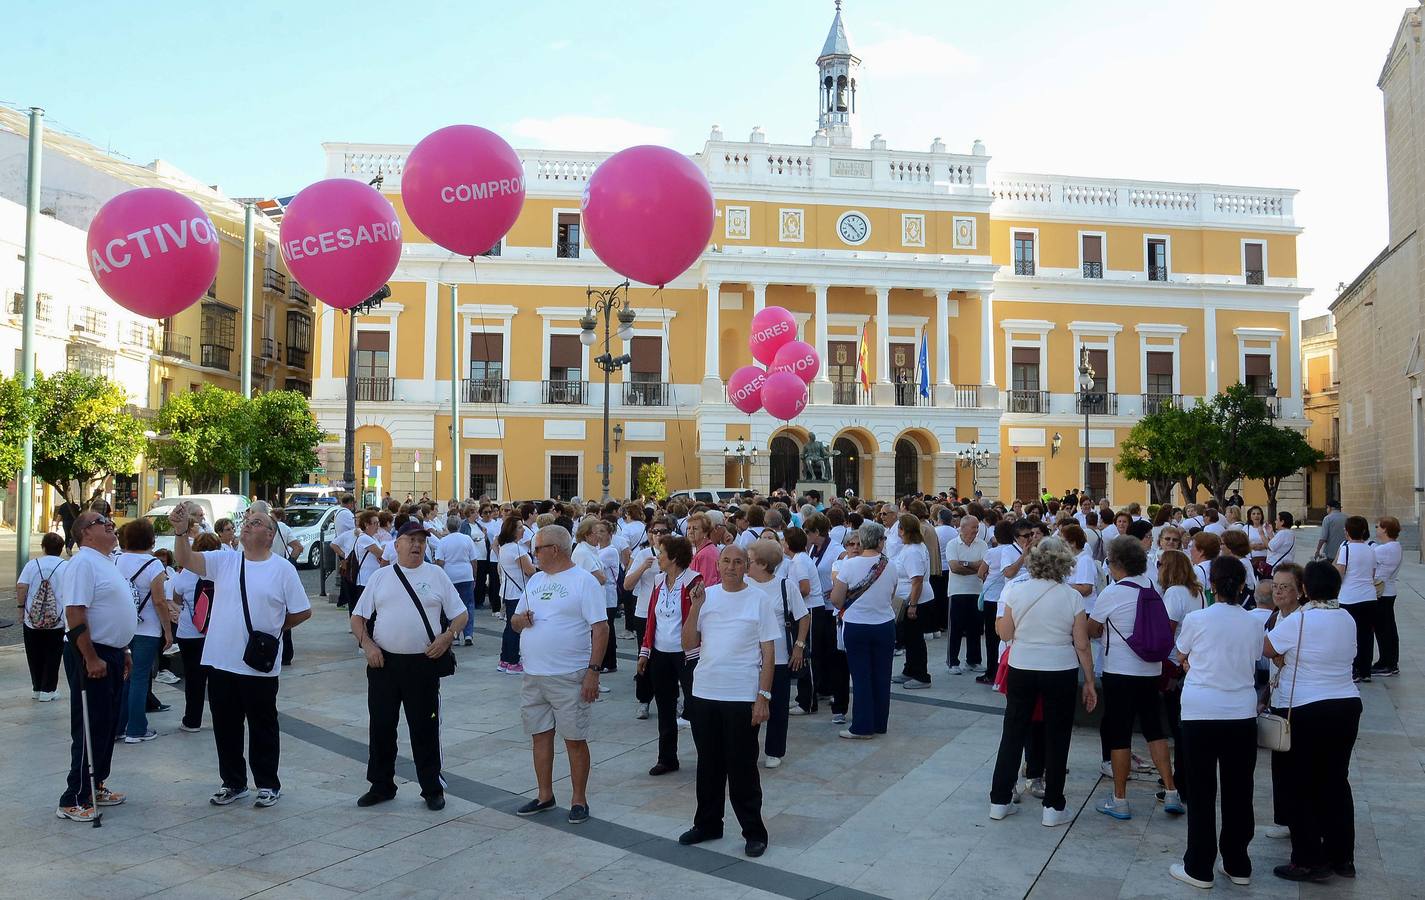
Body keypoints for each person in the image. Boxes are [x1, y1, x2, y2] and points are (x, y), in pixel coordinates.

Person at [170, 503, 312, 809]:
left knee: (263, 725)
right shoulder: (225, 560)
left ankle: (267, 784)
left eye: (257, 522)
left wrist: (273, 629)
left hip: (257, 664)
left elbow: (302, 611)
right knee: (225, 725)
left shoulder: (282, 569)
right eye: (248, 520)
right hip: (221, 659)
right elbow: (185, 559)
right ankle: (233, 782)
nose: (248, 524)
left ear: (270, 535)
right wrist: (181, 532)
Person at [351, 521, 468, 811]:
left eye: (421, 541)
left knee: (425, 727)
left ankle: (431, 788)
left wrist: (447, 636)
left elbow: (460, 614)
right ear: (397, 544)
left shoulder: (436, 575)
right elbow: (358, 618)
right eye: (410, 539)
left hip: (423, 664)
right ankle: (381, 785)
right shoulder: (381, 577)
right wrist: (368, 645)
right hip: (384, 664)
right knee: (381, 726)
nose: (416, 545)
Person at [1263, 561, 1362, 883]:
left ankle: (1307, 859)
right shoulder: (1347, 616)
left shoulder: (1300, 620)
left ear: (1304, 589)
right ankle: (1342, 858)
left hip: (1306, 709)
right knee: (1335, 783)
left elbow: (1266, 647)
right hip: (1346, 706)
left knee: (1298, 785)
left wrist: (1280, 655)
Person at [677, 545, 778, 858]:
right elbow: (688, 643)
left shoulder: (759, 599)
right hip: (705, 692)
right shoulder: (706, 596)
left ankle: (754, 832)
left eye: (738, 562)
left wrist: (763, 696)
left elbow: (769, 652)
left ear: (747, 566)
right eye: (726, 561)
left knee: (742, 767)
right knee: (708, 764)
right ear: (717, 565)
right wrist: (695, 608)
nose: (732, 567)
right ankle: (708, 824)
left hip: (741, 695)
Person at [988, 537, 1097, 826]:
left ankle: (999, 800)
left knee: (1012, 732)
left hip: (1022, 665)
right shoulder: (1072, 597)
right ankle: (1053, 806)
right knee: (1058, 736)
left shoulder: (1017, 592)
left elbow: (1004, 633)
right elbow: (1082, 644)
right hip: (1059, 668)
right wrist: (1089, 680)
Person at [1168, 557, 1261, 889]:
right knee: (1239, 790)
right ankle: (1238, 862)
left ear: (1212, 586)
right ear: (1241, 586)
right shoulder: (1253, 622)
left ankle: (1199, 865)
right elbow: (1250, 659)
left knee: (1202, 790)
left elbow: (1179, 655)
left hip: (1201, 712)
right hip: (1240, 713)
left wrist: (1194, 667)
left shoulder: (1197, 619)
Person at [510, 525, 609, 825]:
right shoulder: (535, 581)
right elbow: (514, 622)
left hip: (570, 674)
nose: (533, 554)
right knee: (540, 736)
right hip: (534, 674)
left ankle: (578, 800)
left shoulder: (583, 582)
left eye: (537, 549)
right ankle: (544, 795)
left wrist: (593, 672)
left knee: (574, 739)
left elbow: (600, 628)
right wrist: (520, 620)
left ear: (554, 549)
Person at [1088, 537, 1177, 820]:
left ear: (1117, 564)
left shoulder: (1112, 593)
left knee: (1119, 735)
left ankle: (1120, 799)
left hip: (1119, 672)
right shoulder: (1151, 588)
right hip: (1150, 670)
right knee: (1154, 730)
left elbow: (1092, 629)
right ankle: (1172, 790)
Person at [56, 510, 133, 822]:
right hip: (92, 653)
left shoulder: (106, 561)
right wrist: (90, 657)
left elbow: (112, 609)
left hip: (111, 652)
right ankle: (73, 797)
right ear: (86, 532)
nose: (110, 523)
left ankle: (96, 783)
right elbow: (75, 613)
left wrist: (123, 648)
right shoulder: (83, 562)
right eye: (103, 521)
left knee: (108, 724)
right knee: (90, 726)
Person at [637, 535, 701, 775]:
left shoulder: (694, 581)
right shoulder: (658, 581)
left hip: (687, 654)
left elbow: (697, 619)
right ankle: (667, 758)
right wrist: (645, 651)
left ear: (673, 557)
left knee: (695, 706)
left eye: (661, 552)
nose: (658, 556)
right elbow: (652, 619)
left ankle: (707, 757)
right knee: (664, 705)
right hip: (660, 653)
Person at [830, 521, 898, 740]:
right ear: (878, 541)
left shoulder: (849, 565)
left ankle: (862, 726)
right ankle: (879, 722)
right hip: (884, 624)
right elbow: (891, 593)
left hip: (857, 626)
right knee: (881, 675)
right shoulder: (890, 565)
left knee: (861, 677)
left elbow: (837, 599)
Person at [748, 539, 809, 768]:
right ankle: (749, 748)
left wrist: (799, 645)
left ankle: (774, 750)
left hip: (779, 657)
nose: (747, 564)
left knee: (778, 705)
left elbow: (803, 616)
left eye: (750, 561)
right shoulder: (744, 584)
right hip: (751, 657)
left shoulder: (785, 586)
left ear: (763, 564)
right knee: (749, 703)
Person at [114, 518, 171, 743]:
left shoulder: (117, 560)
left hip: (123, 626)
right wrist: (168, 630)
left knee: (123, 678)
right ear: (151, 539)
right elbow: (159, 601)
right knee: (139, 678)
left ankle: (118, 726)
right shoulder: (154, 564)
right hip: (147, 628)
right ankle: (136, 728)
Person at [168, 533, 220, 732]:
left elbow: (177, 599)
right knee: (217, 679)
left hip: (189, 634)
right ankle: (220, 719)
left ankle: (192, 720)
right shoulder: (220, 571)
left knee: (193, 678)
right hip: (215, 633)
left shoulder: (186, 573)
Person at [18, 532, 68, 701]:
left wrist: (20, 609)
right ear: (61, 549)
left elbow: (21, 587)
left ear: (43, 547)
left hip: (32, 618)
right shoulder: (65, 566)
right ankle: (49, 690)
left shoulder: (32, 565)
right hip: (58, 619)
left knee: (34, 653)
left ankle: (37, 687)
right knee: (53, 654)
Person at [1333, 516, 1377, 682]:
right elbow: (1373, 573)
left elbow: (1341, 571)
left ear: (1347, 531)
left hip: (1349, 597)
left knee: (1351, 635)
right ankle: (1366, 670)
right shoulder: (1371, 548)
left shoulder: (1346, 548)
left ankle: (1354, 669)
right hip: (1369, 596)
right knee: (1366, 634)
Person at [891, 514, 932, 688]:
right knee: (909, 637)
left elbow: (916, 580)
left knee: (915, 639)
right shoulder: (911, 547)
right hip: (910, 599)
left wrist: (913, 605)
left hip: (915, 601)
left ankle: (921, 675)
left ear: (903, 530)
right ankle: (910, 670)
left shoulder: (913, 551)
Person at [943, 514, 986, 674]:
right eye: (974, 527)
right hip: (957, 592)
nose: (976, 530)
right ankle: (952, 662)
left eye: (977, 527)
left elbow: (983, 567)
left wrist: (966, 564)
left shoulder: (982, 544)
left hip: (976, 591)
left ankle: (973, 661)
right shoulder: (953, 544)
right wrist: (974, 567)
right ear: (963, 527)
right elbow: (954, 567)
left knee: (975, 628)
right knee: (955, 629)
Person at [496, 514, 536, 674]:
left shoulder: (504, 548)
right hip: (518, 592)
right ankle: (512, 660)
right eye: (519, 527)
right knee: (516, 627)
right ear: (512, 531)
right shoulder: (516, 549)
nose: (522, 530)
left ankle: (505, 659)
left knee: (509, 627)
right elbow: (530, 570)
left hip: (508, 590)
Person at [436, 515, 481, 647]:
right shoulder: (466, 539)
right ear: (459, 525)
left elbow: (440, 561)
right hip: (466, 575)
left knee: (451, 606)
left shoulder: (443, 541)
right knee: (468, 605)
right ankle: (468, 634)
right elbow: (474, 560)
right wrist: (474, 576)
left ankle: (455, 635)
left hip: (450, 576)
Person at [1371, 516, 1403, 678]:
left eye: (1377, 527)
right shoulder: (1395, 547)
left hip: (1381, 593)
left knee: (1383, 630)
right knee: (1389, 629)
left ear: (1385, 529)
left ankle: (1387, 663)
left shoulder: (1383, 549)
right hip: (1389, 591)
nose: (1376, 529)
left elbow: (1369, 563)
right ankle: (1390, 662)